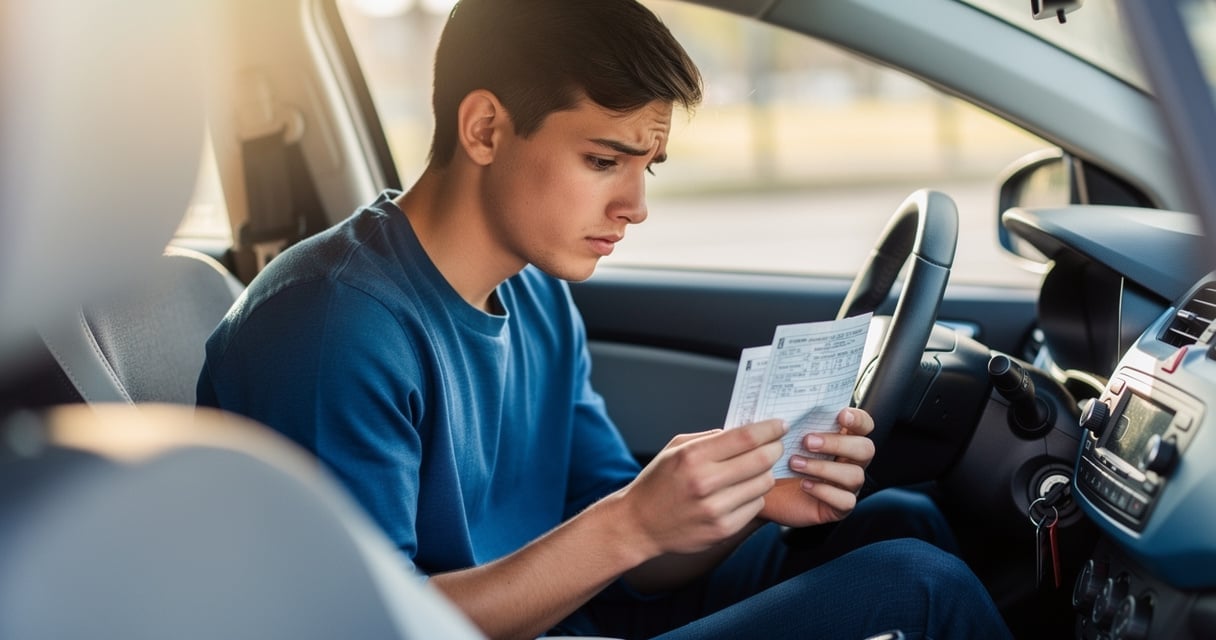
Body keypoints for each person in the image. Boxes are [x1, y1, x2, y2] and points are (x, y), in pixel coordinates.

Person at [198, 1, 1012, 638]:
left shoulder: (537, 290)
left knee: (896, 522)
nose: (636, 207)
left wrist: (747, 496)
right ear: (484, 128)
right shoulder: (334, 327)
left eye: (647, 167)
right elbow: (362, 627)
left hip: (573, 619)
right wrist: (628, 523)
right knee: (918, 588)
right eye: (603, 161)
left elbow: (632, 561)